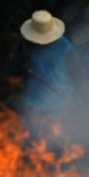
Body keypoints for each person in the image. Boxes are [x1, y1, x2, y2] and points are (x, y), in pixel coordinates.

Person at [16, 10, 74, 146]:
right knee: (34, 144)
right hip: (34, 105)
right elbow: (16, 71)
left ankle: (59, 165)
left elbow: (78, 75)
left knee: (57, 144)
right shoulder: (26, 46)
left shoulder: (66, 48)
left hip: (60, 105)